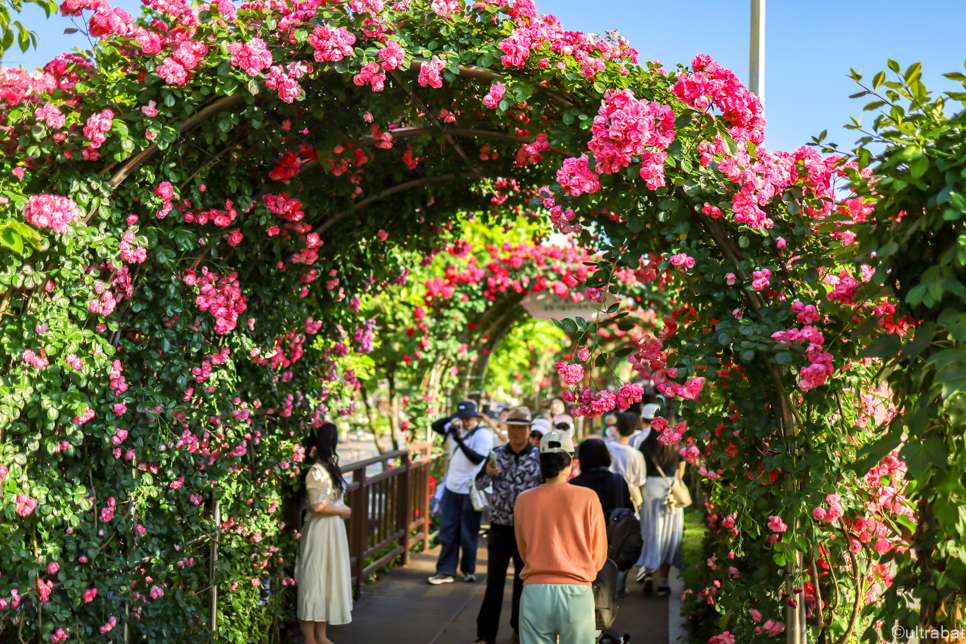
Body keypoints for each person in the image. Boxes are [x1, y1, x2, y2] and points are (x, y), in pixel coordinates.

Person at [514, 429, 607, 644]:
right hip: (577, 591)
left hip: (535, 592)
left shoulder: (523, 500)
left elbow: (523, 550)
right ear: (571, 460)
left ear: (540, 460)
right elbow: (599, 554)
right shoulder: (588, 497)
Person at [474, 407, 543, 644]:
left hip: (529, 530)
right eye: (512, 426)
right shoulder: (495, 453)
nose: (515, 432)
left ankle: (520, 627)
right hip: (500, 527)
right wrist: (489, 473)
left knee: (525, 582)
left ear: (528, 430)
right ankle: (485, 634)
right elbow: (479, 483)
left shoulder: (539, 456)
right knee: (495, 581)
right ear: (506, 428)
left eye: (520, 427)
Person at [428, 400, 498, 584]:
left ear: (477, 417)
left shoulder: (483, 434)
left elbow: (477, 460)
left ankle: (468, 570)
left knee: (468, 533)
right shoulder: (454, 429)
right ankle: (445, 571)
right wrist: (453, 419)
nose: (466, 422)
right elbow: (435, 425)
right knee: (447, 530)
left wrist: (459, 439)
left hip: (471, 489)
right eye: (464, 418)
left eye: (469, 418)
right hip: (452, 488)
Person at [296, 423, 353, 644]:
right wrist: (341, 510)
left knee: (326, 580)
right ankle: (311, 639)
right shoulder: (316, 471)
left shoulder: (328, 466)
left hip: (332, 531)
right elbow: (317, 506)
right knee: (314, 581)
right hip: (321, 531)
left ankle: (321, 636)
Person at [635, 426, 686, 596]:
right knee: (670, 534)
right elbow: (681, 473)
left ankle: (648, 574)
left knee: (650, 531)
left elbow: (641, 471)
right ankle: (664, 582)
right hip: (671, 489)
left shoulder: (645, 444)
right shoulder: (678, 445)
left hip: (650, 488)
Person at [569, 439, 633, 517]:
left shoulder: (574, 485)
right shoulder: (617, 481)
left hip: (584, 528)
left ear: (582, 458)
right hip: (614, 527)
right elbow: (629, 509)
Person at [608, 412, 646, 510]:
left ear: (616, 428)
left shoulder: (606, 448)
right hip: (630, 499)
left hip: (609, 495)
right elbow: (640, 481)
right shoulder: (637, 455)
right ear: (633, 431)